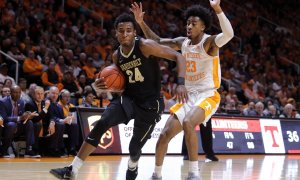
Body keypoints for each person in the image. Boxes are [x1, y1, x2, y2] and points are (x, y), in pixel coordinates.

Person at [50, 13, 187, 180]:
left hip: (150, 104)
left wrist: (180, 83)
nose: (125, 34)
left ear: (134, 32)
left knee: (134, 147)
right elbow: (119, 82)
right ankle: (72, 170)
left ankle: (132, 166)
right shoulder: (117, 55)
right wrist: (101, 86)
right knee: (102, 123)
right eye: (121, 31)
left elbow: (178, 56)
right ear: (116, 33)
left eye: (129, 30)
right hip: (128, 99)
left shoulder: (145, 45)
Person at [131, 0, 234, 179]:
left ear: (203, 27)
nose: (189, 26)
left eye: (194, 24)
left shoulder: (209, 42)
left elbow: (229, 34)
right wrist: (140, 22)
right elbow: (156, 41)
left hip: (208, 94)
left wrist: (217, 8)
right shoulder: (183, 42)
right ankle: (157, 175)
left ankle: (194, 173)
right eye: (188, 23)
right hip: (188, 96)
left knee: (188, 122)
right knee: (164, 135)